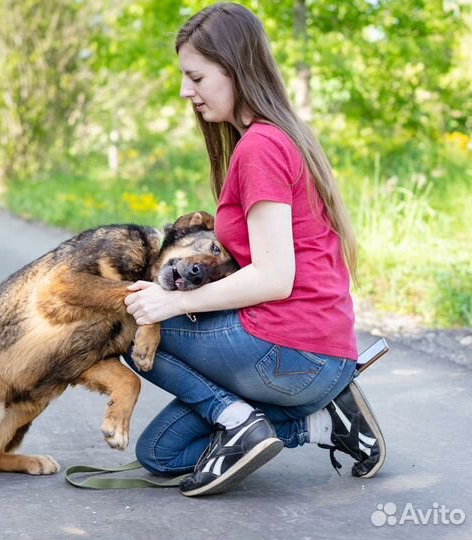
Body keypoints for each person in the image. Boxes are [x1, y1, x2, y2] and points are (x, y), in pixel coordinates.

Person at [124, 2, 385, 497]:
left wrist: (174, 302)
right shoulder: (277, 138)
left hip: (289, 350)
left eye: (196, 77)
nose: (186, 91)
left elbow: (273, 277)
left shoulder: (261, 147)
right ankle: (324, 422)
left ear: (234, 68)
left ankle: (239, 417)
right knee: (161, 456)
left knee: (122, 322)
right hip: (314, 355)